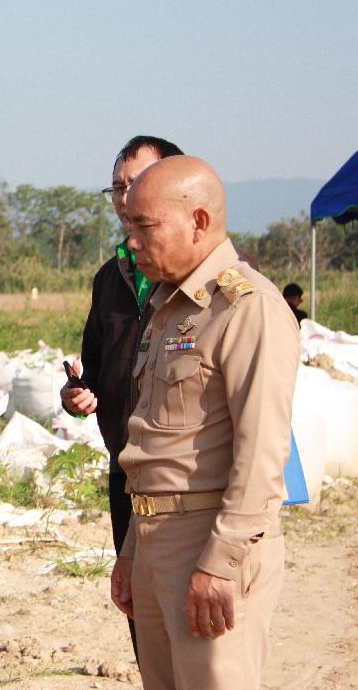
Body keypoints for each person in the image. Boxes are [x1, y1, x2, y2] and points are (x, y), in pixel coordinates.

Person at [110, 156, 299, 689]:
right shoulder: (171, 306)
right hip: (155, 539)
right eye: (128, 227)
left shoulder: (246, 308)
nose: (132, 243)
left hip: (209, 540)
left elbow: (261, 454)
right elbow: (156, 446)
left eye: (145, 226)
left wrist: (220, 563)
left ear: (198, 221)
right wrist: (132, 551)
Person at [59, 134, 183, 654]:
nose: (125, 197)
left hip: (187, 483)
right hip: (128, 473)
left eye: (138, 183)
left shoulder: (208, 278)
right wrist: (77, 393)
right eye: (117, 187)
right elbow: (92, 367)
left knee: (196, 636)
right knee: (145, 626)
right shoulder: (109, 278)